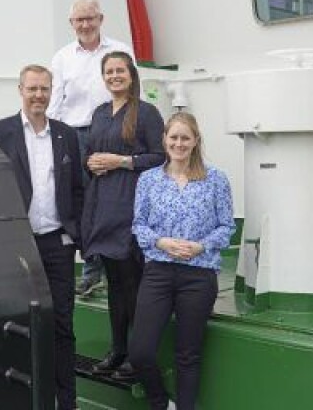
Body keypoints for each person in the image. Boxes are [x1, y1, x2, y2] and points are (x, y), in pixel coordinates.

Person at [0, 64, 83, 410]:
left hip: (57, 244)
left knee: (62, 327)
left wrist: (76, 233)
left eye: (44, 89)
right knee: (18, 325)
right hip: (16, 245)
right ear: (20, 90)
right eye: (32, 89)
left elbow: (76, 189)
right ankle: (23, 399)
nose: (39, 95)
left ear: (51, 91)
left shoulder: (66, 135)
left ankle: (66, 403)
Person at [130, 112, 235, 410]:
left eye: (185, 138)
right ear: (164, 139)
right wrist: (161, 242)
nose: (179, 143)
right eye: (173, 137)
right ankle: (161, 403)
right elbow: (139, 225)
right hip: (158, 272)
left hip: (198, 276)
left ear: (195, 141)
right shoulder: (148, 180)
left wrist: (200, 246)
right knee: (140, 352)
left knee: (188, 354)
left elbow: (227, 226)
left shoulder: (216, 179)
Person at [81, 51, 165, 380]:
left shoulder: (146, 113)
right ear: (104, 78)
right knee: (115, 283)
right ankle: (118, 349)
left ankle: (137, 353)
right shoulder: (100, 113)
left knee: (134, 283)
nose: (115, 76)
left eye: (120, 71)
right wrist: (92, 163)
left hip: (130, 202)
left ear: (131, 75)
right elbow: (90, 152)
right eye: (109, 71)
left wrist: (122, 161)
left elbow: (160, 157)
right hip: (102, 202)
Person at [48, 0, 134, 297]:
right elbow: (54, 102)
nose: (85, 24)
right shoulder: (61, 58)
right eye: (79, 19)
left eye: (90, 18)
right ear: (71, 23)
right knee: (82, 202)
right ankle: (91, 269)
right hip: (74, 135)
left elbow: (130, 91)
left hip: (111, 131)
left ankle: (118, 266)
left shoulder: (121, 51)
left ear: (101, 19)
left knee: (112, 200)